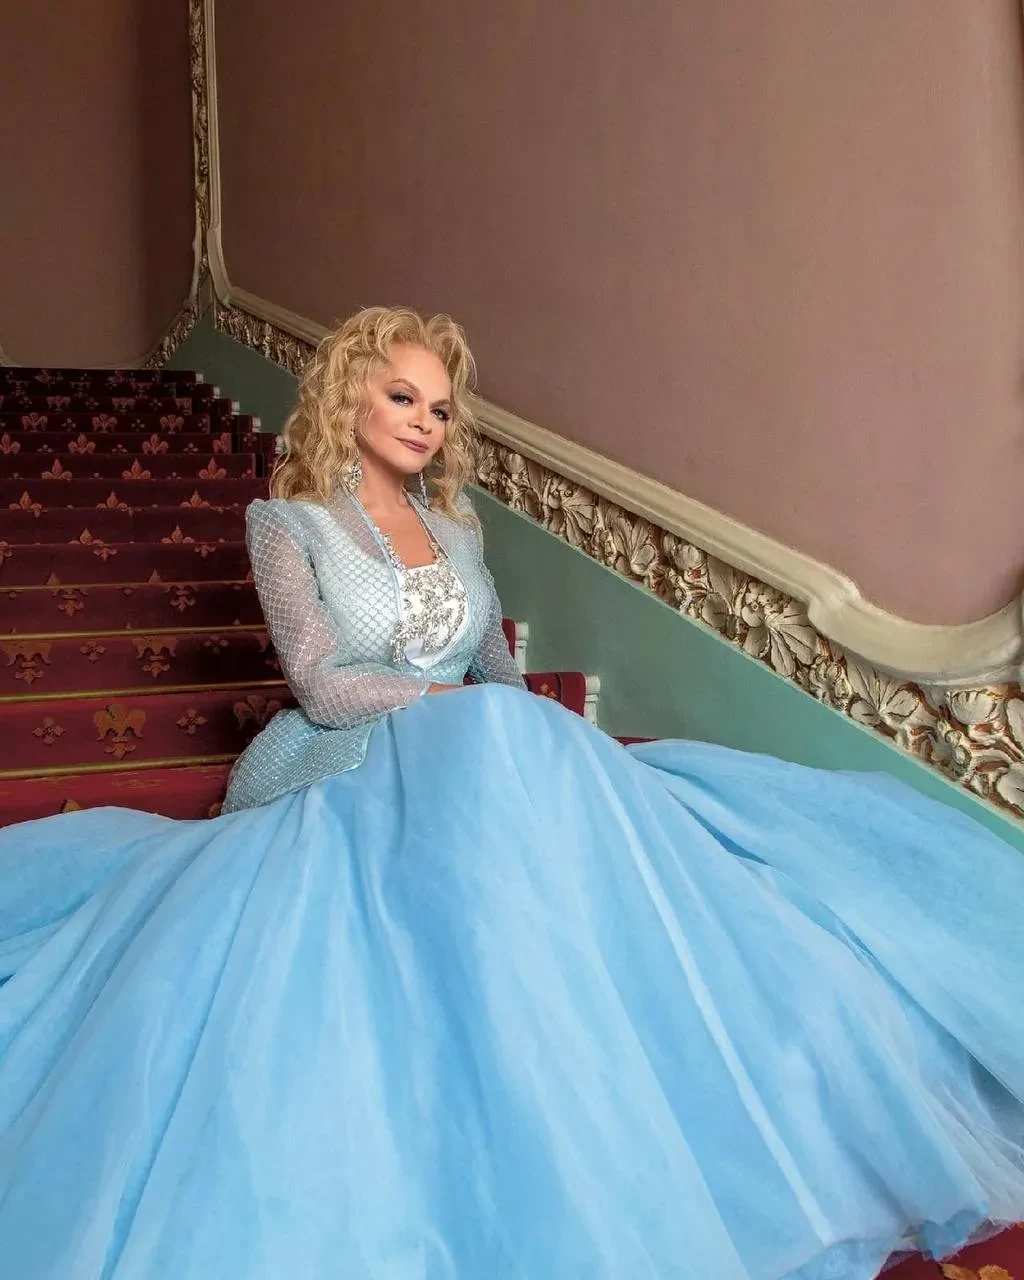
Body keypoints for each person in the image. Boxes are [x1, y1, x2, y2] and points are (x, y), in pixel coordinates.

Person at [0, 306, 1021, 1280]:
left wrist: (558, 748)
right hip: (337, 751)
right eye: (402, 396)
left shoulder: (458, 530)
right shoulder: (289, 523)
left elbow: (496, 670)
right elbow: (320, 684)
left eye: (440, 408)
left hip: (471, 754)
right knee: (487, 737)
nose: (424, 422)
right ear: (349, 395)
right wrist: (465, 712)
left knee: (537, 759)